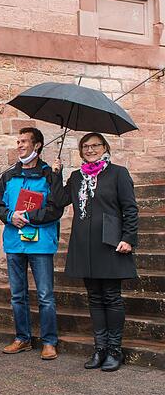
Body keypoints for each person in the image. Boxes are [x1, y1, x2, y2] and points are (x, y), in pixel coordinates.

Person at [52, 133, 138, 371]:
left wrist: (128, 238)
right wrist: (56, 174)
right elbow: (59, 200)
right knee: (94, 297)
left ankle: (114, 350)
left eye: (95, 146)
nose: (90, 150)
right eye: (85, 146)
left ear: (104, 147)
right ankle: (99, 348)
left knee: (111, 296)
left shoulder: (118, 173)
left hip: (110, 244)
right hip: (85, 245)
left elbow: (130, 208)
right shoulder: (77, 176)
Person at [0, 127, 64, 360]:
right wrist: (10, 216)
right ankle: (22, 338)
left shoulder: (49, 174)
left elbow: (55, 208)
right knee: (17, 295)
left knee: (45, 295)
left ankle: (49, 341)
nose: (20, 145)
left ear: (38, 145)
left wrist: (29, 218)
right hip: (14, 243)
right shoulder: (8, 176)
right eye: (18, 141)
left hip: (41, 243)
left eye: (25, 141)